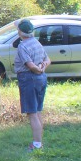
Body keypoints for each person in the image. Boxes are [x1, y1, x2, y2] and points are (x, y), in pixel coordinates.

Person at [13, 19, 50, 151]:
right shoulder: (36, 42)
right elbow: (47, 59)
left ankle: (36, 144)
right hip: (41, 79)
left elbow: (30, 66)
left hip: (29, 79)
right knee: (38, 111)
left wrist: (39, 69)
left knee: (32, 113)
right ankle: (39, 142)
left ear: (20, 33)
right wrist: (43, 68)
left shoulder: (23, 46)